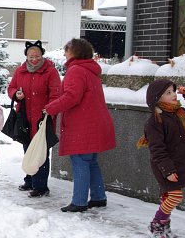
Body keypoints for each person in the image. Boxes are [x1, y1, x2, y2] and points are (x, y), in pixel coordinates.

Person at [43, 38, 116, 213]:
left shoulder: (76, 70)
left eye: (67, 50)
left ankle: (79, 202)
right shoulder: (90, 70)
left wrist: (50, 108)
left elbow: (71, 97)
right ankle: (98, 197)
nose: (64, 54)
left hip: (83, 125)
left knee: (80, 161)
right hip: (95, 122)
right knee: (90, 161)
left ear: (75, 52)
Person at [139, 79, 185, 238]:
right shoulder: (155, 121)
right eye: (168, 93)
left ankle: (164, 226)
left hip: (179, 163)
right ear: (157, 98)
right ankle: (156, 225)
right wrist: (167, 170)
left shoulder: (180, 114)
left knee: (169, 196)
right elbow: (157, 149)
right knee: (175, 196)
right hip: (164, 165)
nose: (173, 95)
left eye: (173, 91)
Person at [7, 40, 61, 197]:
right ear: (26, 56)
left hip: (42, 118)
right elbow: (11, 88)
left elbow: (56, 93)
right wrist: (16, 94)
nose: (34, 59)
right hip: (24, 117)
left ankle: (41, 186)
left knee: (41, 151)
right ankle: (30, 180)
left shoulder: (50, 72)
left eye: (37, 56)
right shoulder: (20, 71)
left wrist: (50, 109)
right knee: (27, 148)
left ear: (42, 55)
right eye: (31, 56)